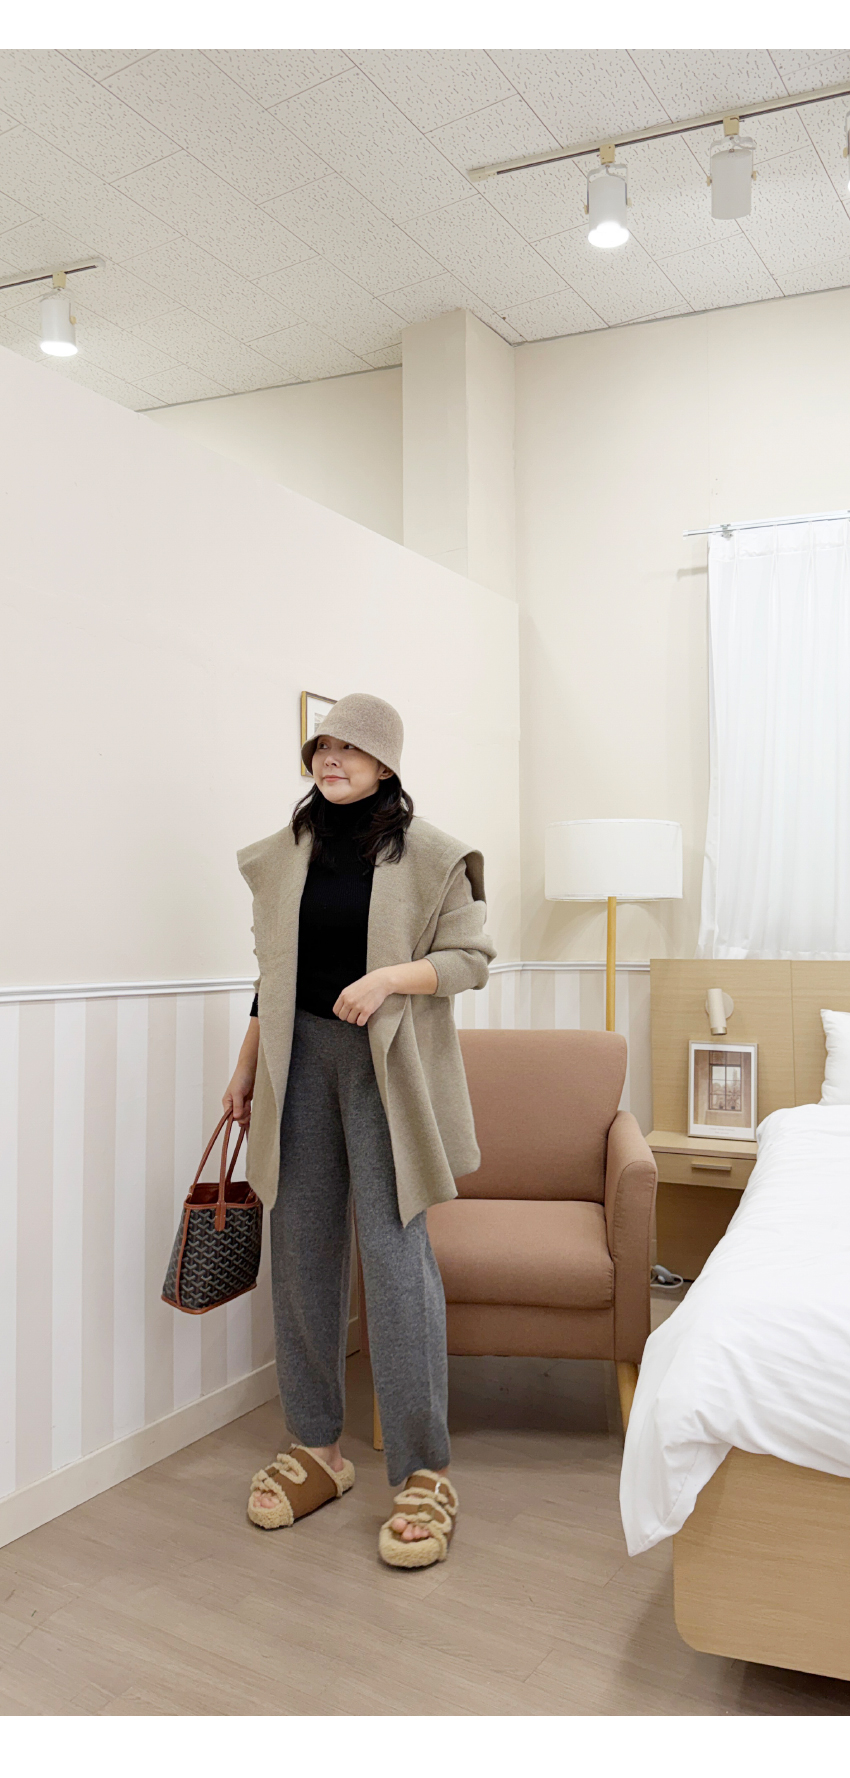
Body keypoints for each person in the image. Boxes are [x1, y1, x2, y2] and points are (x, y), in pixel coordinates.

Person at [223, 693, 494, 1569]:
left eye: (350, 747)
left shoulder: (433, 855)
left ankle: (423, 1470)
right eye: (322, 746)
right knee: (300, 1248)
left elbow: (471, 961)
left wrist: (387, 980)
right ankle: (318, 1450)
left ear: (386, 764)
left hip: (385, 1069)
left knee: (395, 1256)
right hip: (296, 1060)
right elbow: (272, 975)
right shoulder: (284, 855)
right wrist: (245, 1068)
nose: (331, 759)